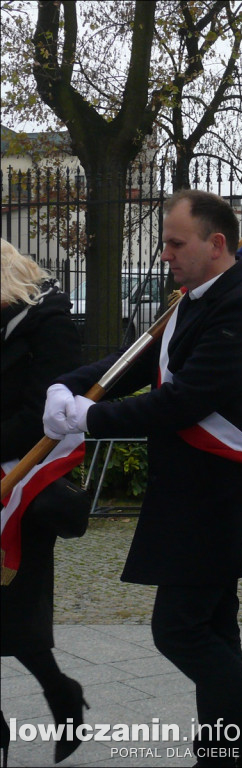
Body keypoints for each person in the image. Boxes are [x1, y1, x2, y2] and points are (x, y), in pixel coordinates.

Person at [43, 190, 242, 765]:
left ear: (217, 244)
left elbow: (184, 399)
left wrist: (92, 418)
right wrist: (68, 386)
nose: (164, 254)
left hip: (214, 494)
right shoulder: (195, 299)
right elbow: (135, 362)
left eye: (175, 243)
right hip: (189, 489)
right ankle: (224, 750)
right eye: (164, 242)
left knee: (178, 629)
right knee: (213, 625)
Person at [1, 240, 88, 765]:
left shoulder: (49, 321)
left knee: (17, 619)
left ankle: (61, 695)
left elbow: (45, 415)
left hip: (22, 485)